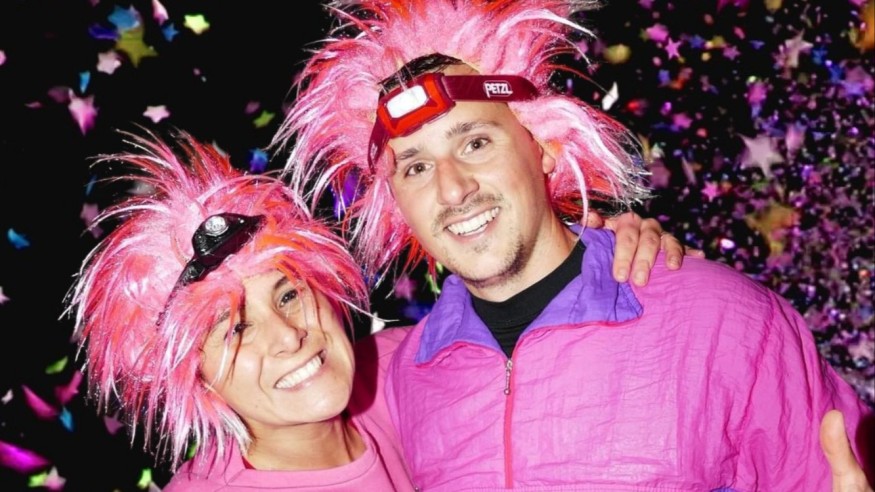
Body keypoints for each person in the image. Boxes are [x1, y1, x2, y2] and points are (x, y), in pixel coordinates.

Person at [272, 0, 874, 490]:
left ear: (544, 148)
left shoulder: (724, 319)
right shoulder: (399, 377)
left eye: (476, 143)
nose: (452, 189)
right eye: (416, 167)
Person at [64, 131, 413, 490]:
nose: (289, 337)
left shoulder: (411, 363)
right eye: (237, 328)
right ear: (196, 378)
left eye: (288, 296)